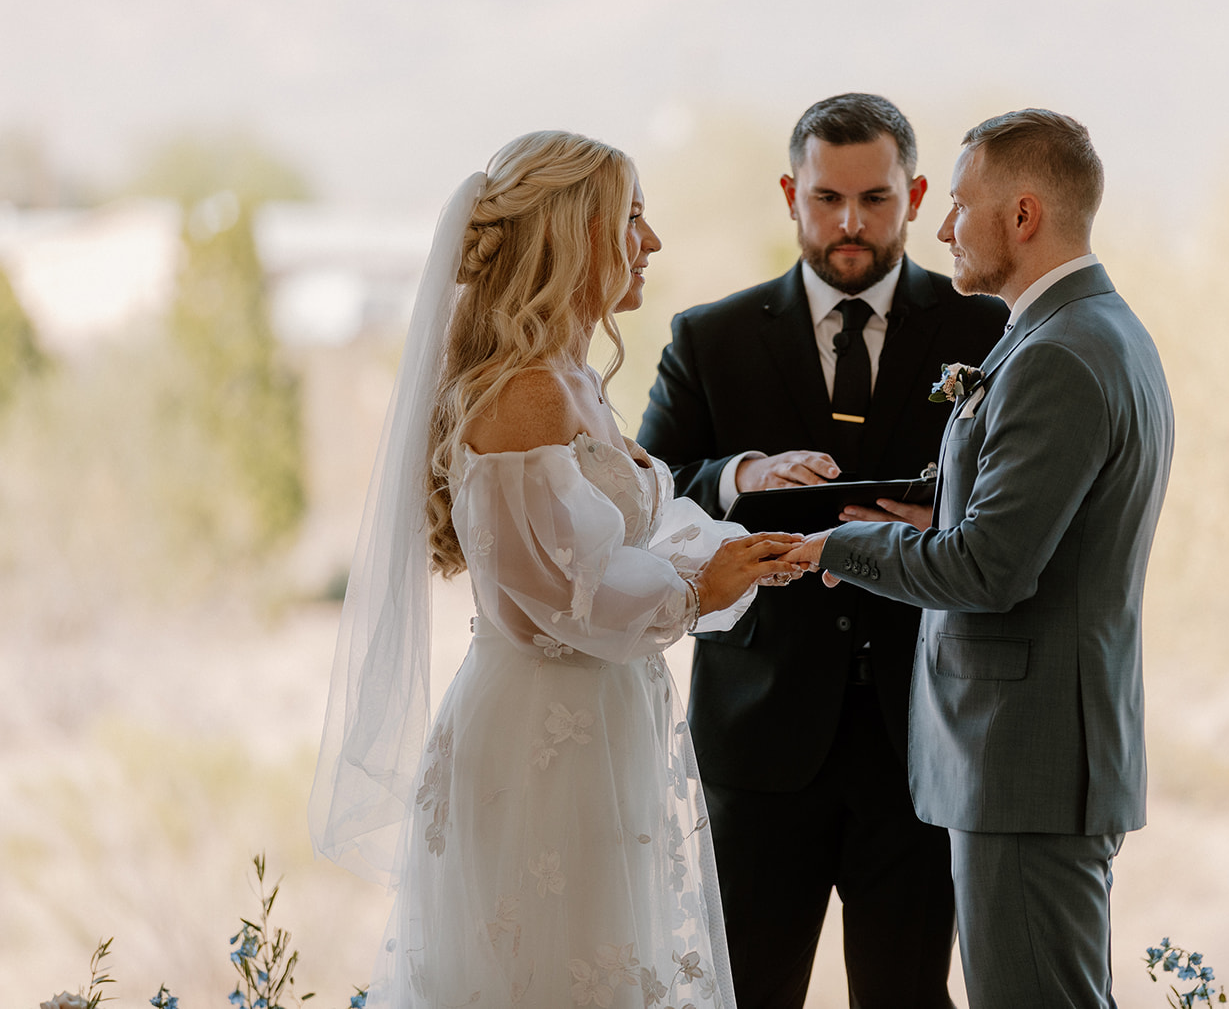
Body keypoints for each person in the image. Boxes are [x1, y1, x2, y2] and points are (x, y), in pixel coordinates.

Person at [309, 131, 805, 1008]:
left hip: (602, 719)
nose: (651, 242)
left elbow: (617, 542)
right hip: (546, 736)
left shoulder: (574, 379)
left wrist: (741, 554)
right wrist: (699, 590)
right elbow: (560, 599)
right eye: (632, 219)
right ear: (571, 233)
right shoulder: (526, 395)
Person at [785, 109, 1175, 1009]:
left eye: (959, 204)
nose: (944, 228)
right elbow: (1044, 523)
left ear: (1024, 214)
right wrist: (944, 507)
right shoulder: (1093, 329)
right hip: (1040, 758)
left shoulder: (1059, 354)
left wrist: (837, 546)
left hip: (1027, 762)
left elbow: (989, 570)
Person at [636, 93, 1007, 1008]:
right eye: (826, 198)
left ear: (914, 196)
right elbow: (646, 492)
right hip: (757, 741)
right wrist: (741, 475)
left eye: (874, 199)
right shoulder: (710, 337)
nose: (849, 223)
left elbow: (1016, 499)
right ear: (788, 194)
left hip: (922, 733)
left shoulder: (985, 330)